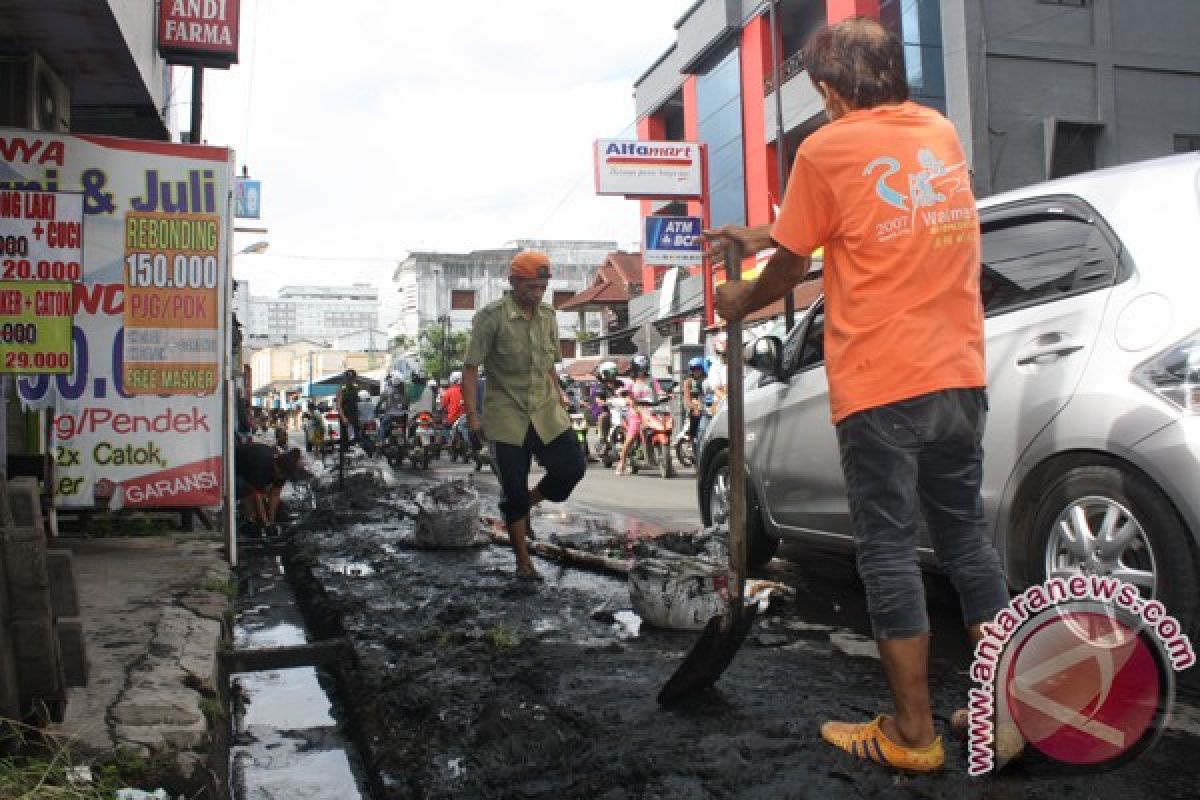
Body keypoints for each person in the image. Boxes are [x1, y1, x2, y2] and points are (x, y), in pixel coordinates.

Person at [707, 17, 1010, 773]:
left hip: (882, 384)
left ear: (831, 88)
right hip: (960, 375)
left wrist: (740, 298)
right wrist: (762, 234)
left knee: (887, 551)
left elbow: (789, 269)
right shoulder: (936, 131)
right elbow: (871, 220)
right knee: (967, 543)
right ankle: (1005, 712)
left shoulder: (826, 147)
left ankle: (913, 735)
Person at [462, 250, 586, 579]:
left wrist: (559, 396)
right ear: (514, 282)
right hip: (506, 417)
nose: (538, 293)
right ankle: (523, 562)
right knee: (512, 490)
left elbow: (548, 365)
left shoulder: (547, 315)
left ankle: (525, 505)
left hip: (545, 411)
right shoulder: (491, 317)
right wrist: (473, 416)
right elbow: (471, 368)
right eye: (531, 287)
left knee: (572, 467)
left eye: (542, 287)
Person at [235, 442, 307, 535]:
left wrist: (271, 521)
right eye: (281, 475)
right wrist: (265, 523)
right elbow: (257, 496)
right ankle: (249, 520)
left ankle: (255, 519)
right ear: (277, 469)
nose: (281, 478)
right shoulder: (262, 467)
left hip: (251, 470)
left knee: (259, 496)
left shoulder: (285, 471)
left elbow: (275, 495)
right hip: (235, 465)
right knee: (246, 491)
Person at [615, 354, 657, 476]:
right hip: (636, 413)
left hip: (651, 412)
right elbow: (627, 395)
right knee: (631, 437)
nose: (642, 372)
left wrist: (666, 394)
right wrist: (629, 400)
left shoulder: (652, 380)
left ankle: (665, 462)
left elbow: (659, 391)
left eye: (644, 369)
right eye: (640, 369)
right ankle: (621, 463)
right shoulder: (631, 382)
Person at [682, 356, 708, 446]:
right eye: (694, 369)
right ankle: (692, 442)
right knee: (694, 422)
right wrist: (695, 408)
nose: (696, 371)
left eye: (698, 369)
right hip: (693, 408)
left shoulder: (707, 379)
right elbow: (687, 399)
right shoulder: (688, 382)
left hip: (706, 405)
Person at [335, 369, 361, 448]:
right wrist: (343, 418)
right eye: (349, 379)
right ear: (345, 379)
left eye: (352, 378)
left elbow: (358, 403)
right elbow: (338, 405)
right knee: (345, 440)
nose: (350, 380)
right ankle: (344, 457)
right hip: (345, 416)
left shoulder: (356, 388)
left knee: (357, 438)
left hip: (354, 416)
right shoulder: (341, 389)